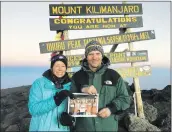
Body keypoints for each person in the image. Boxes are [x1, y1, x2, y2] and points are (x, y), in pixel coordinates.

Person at [71, 40, 131, 131]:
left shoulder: (114, 76)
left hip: (108, 127)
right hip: (84, 128)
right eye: (91, 54)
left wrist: (111, 109)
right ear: (86, 57)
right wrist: (83, 90)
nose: (94, 57)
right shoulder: (77, 77)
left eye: (98, 53)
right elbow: (69, 101)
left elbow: (125, 99)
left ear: (102, 56)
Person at [28, 52, 75, 131]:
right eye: (57, 66)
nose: (60, 69)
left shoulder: (71, 85)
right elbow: (33, 109)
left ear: (66, 68)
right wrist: (57, 99)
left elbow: (75, 109)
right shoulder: (39, 83)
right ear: (52, 67)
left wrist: (72, 120)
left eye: (63, 66)